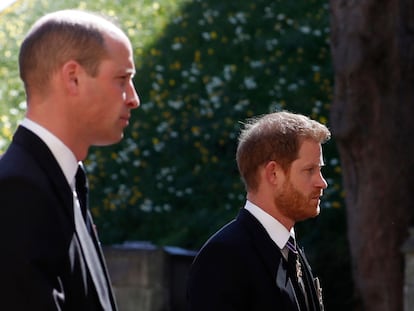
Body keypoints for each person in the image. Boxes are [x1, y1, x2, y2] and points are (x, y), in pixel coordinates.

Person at [0, 9, 139, 310]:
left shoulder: (60, 179)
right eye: (122, 79)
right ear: (73, 77)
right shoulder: (17, 191)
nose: (133, 98)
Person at [187, 111, 330, 311]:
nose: (321, 182)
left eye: (320, 170)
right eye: (309, 170)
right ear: (273, 173)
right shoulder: (224, 257)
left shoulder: (290, 250)